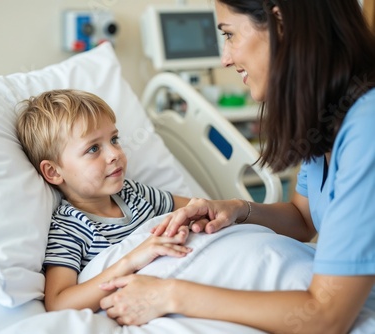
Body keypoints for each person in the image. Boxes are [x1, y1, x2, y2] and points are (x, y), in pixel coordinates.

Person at [99, 0, 375, 332]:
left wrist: (170, 295)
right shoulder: (329, 113)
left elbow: (325, 317)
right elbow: (304, 219)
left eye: (229, 35)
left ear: (280, 24)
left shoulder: (366, 129)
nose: (225, 58)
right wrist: (236, 209)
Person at [15, 89, 191, 312]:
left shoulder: (135, 194)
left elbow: (197, 208)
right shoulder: (69, 228)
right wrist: (133, 259)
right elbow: (59, 303)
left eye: (114, 140)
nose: (114, 154)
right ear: (53, 172)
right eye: (93, 148)